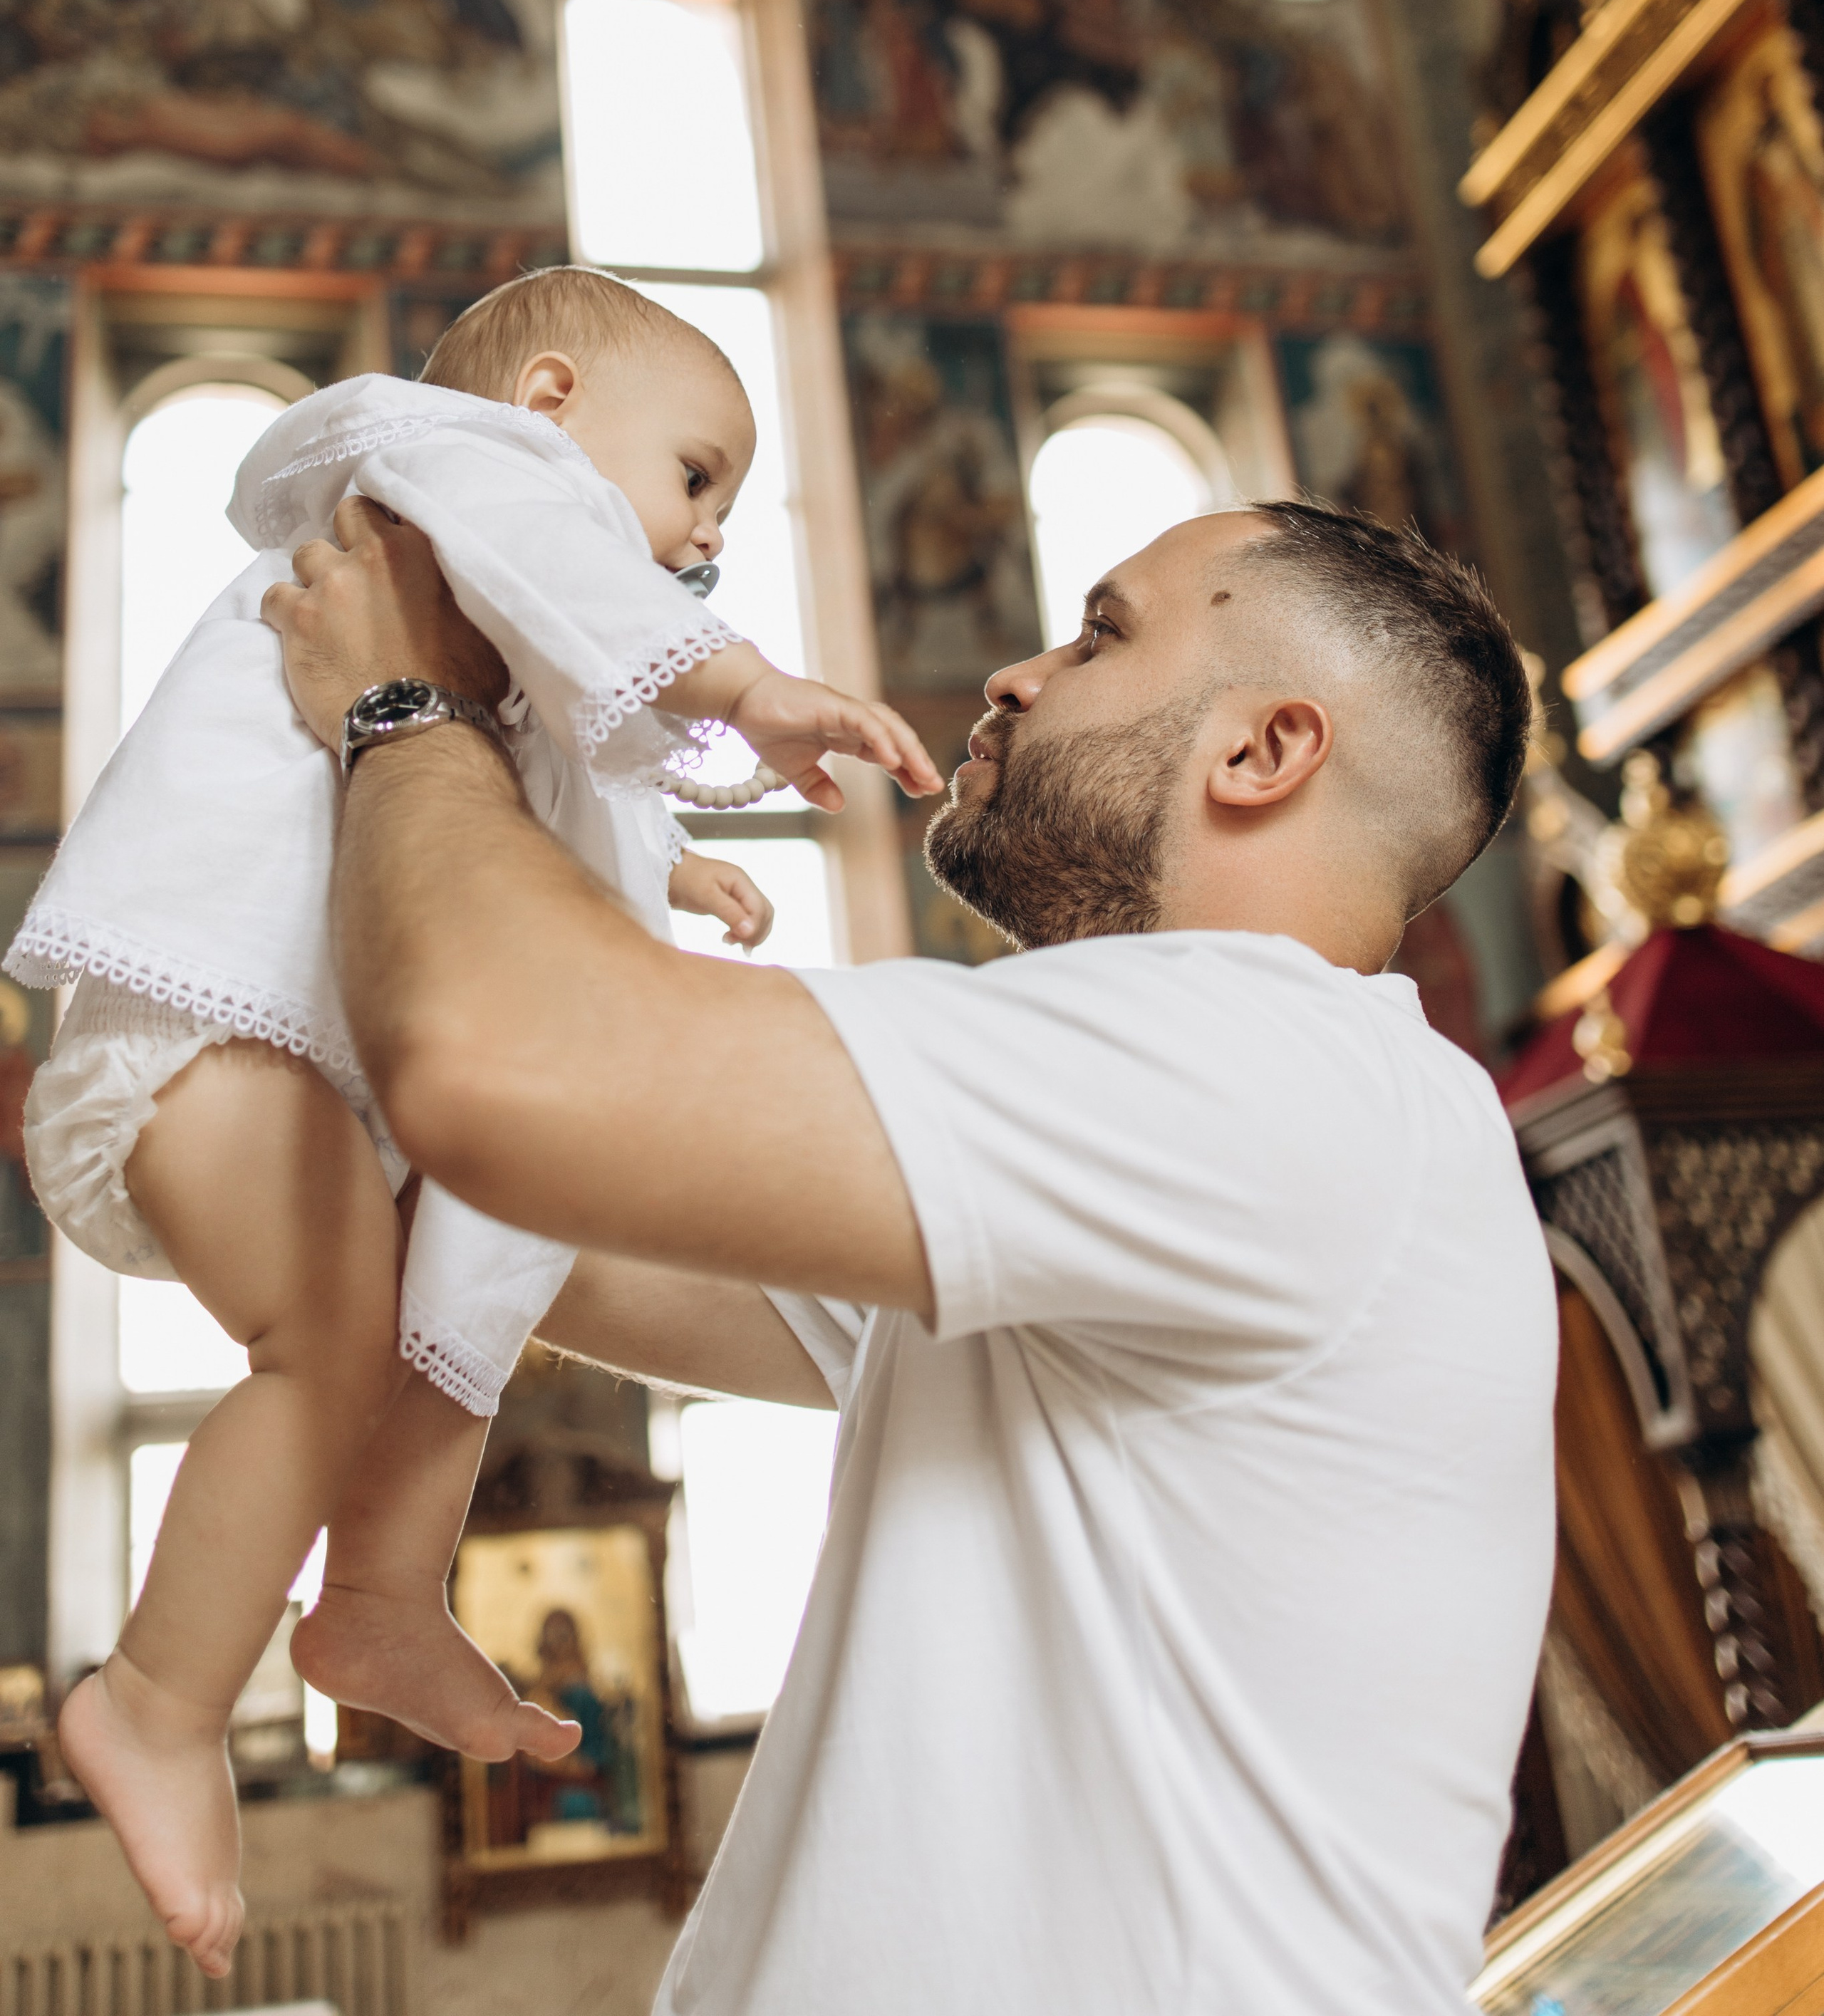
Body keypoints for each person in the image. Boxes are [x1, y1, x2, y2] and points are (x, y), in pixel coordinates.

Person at [261, 487, 1559, 2015]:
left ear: (1261, 752)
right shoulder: (1166, 1149)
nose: (1014, 675)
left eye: (1099, 633)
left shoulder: (1276, 1065)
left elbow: (492, 1075)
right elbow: (493, 1226)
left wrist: (406, 707)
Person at [14, 267, 938, 1982]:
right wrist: (747, 690)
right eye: (694, 478)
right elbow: (565, 595)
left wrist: (670, 858)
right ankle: (154, 1697)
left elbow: (522, 807)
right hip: (209, 1026)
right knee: (323, 1347)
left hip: (309, 1064)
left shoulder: (489, 608)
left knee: (464, 1288)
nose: (705, 533)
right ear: (551, 408)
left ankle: (375, 1595)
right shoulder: (443, 464)